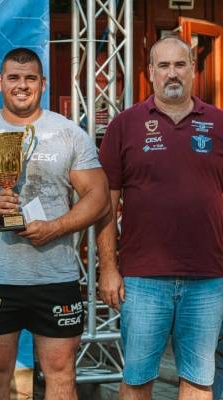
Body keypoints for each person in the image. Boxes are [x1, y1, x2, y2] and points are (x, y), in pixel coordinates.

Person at [0, 47, 110, 400]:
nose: (22, 85)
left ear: (43, 83)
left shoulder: (68, 134)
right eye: (14, 77)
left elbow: (99, 196)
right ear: (0, 82)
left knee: (61, 374)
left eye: (30, 78)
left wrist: (57, 227)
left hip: (55, 278)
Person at [96, 36, 223, 400]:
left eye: (180, 65)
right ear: (150, 72)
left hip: (208, 277)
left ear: (193, 70)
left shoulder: (219, 123)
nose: (172, 73)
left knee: (199, 380)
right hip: (142, 279)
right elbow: (106, 205)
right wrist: (108, 267)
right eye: (163, 66)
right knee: (137, 380)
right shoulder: (125, 124)